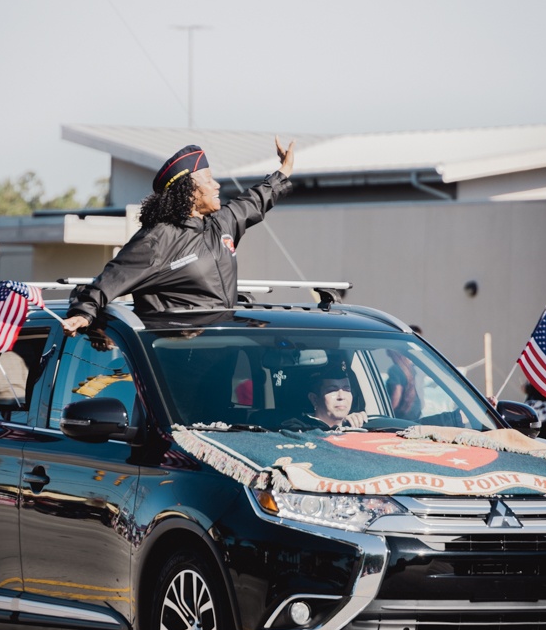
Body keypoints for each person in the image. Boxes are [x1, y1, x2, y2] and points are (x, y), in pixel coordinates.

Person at [61, 137, 294, 335]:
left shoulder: (221, 223)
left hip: (220, 351)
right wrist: (84, 313)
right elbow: (111, 278)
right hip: (179, 358)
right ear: (189, 190)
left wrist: (282, 172)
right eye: (209, 180)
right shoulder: (157, 239)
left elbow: (253, 201)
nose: (217, 185)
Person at [282, 360, 367, 431]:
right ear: (314, 399)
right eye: (332, 390)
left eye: (347, 389)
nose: (341, 396)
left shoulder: (359, 427)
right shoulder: (298, 428)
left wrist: (356, 424)